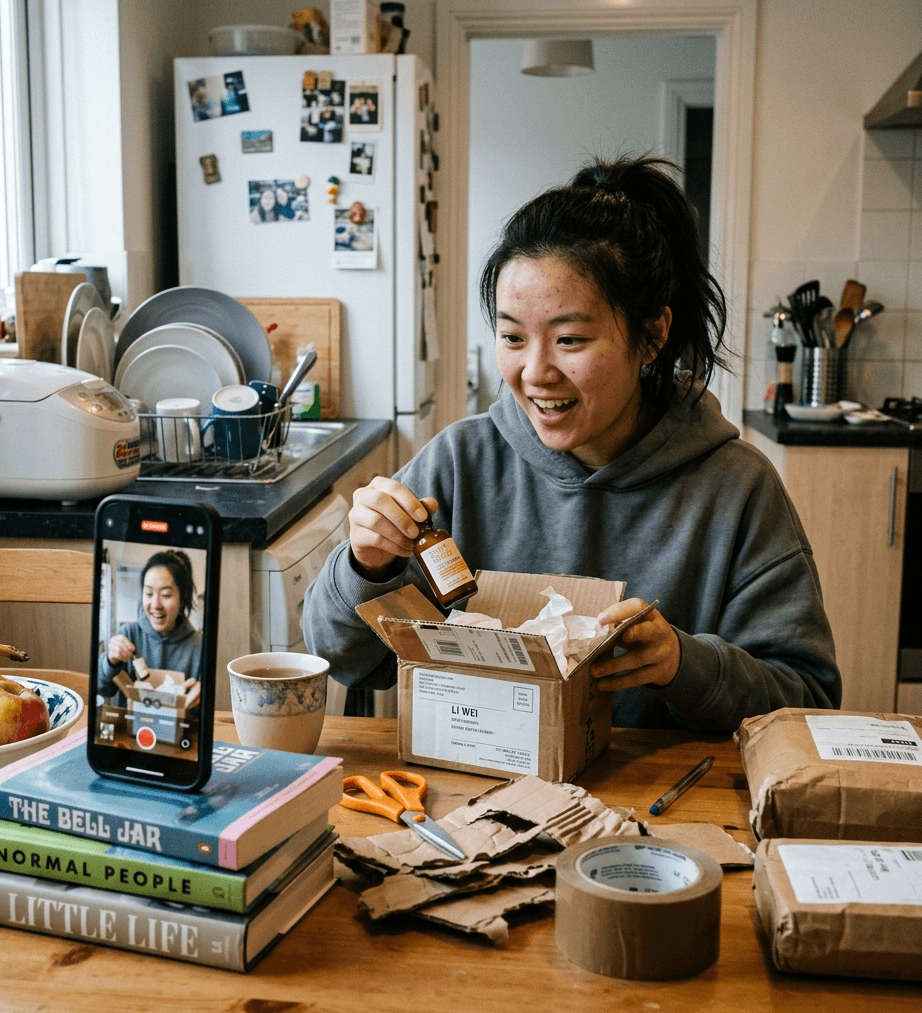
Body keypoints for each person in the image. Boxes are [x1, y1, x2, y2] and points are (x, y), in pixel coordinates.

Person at [302, 153, 841, 732]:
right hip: (472, 793)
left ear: (653, 335)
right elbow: (345, 658)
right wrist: (366, 565)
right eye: (512, 336)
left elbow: (807, 700)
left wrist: (683, 663)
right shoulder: (460, 463)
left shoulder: (736, 488)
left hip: (662, 807)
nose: (536, 372)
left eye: (570, 339)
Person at [97, 549, 203, 710]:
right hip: (130, 732)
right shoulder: (127, 635)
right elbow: (102, 689)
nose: (155, 604)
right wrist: (110, 661)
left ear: (182, 598)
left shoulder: (199, 647)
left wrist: (202, 697)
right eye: (148, 593)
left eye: (166, 595)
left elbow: (202, 715)